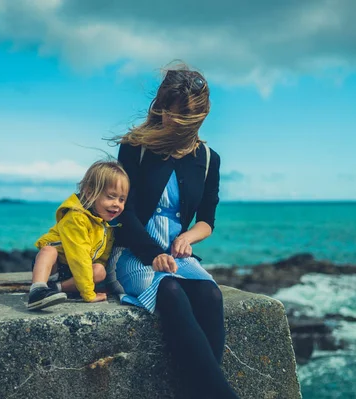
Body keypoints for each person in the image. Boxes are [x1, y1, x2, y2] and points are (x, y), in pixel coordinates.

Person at [109, 65, 239, 398]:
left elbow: (207, 220)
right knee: (170, 293)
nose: (180, 127)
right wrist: (154, 255)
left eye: (189, 121)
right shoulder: (134, 148)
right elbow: (124, 215)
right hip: (135, 254)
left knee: (211, 296)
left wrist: (187, 238)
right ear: (162, 109)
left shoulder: (209, 159)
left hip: (180, 256)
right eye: (174, 117)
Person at [27, 159, 129, 311]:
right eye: (110, 197)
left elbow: (102, 256)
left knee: (100, 270)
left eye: (121, 199)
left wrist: (96, 284)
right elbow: (79, 258)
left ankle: (56, 288)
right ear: (89, 193)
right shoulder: (76, 218)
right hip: (55, 266)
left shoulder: (107, 225)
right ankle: (38, 290)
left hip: (71, 273)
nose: (117, 204)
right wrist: (88, 294)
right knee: (48, 251)